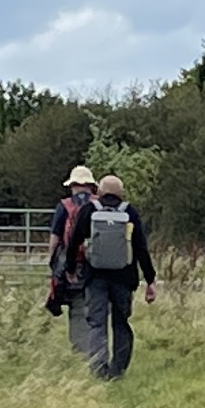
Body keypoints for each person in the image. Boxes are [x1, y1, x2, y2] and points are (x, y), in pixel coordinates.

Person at [66, 172, 156, 380]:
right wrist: (150, 280)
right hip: (124, 278)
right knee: (121, 322)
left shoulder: (89, 210)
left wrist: (70, 269)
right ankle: (118, 370)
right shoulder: (130, 212)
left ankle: (99, 369)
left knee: (96, 323)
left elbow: (74, 242)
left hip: (94, 276)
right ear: (121, 194)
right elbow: (141, 248)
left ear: (99, 191)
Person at [40, 163, 98, 320]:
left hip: (72, 262)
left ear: (72, 186)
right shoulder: (100, 205)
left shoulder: (64, 206)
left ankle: (78, 333)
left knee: (76, 302)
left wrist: (54, 262)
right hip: (98, 262)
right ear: (91, 186)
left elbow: (55, 238)